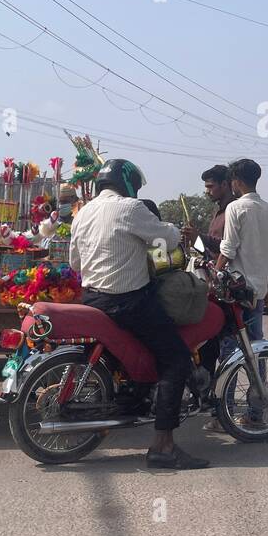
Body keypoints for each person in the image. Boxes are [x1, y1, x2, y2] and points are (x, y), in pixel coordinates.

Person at [70, 158, 206, 470]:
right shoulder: (130, 208)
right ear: (128, 183)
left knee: (143, 351)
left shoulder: (84, 213)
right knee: (175, 358)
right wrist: (173, 229)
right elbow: (168, 239)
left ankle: (136, 396)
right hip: (128, 301)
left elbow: (76, 264)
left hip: (92, 299)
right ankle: (163, 446)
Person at [216, 158, 268, 343]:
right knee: (256, 343)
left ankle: (229, 374)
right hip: (258, 293)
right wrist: (267, 287)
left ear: (237, 181)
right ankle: (258, 373)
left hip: (237, 292)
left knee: (229, 343)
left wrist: (214, 275)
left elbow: (228, 249)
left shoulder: (235, 207)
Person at [200, 163, 233, 257]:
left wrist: (200, 236)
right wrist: (193, 239)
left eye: (210, 187)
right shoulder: (217, 212)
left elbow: (228, 247)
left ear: (224, 184)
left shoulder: (235, 211)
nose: (206, 191)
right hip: (215, 269)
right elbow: (209, 254)